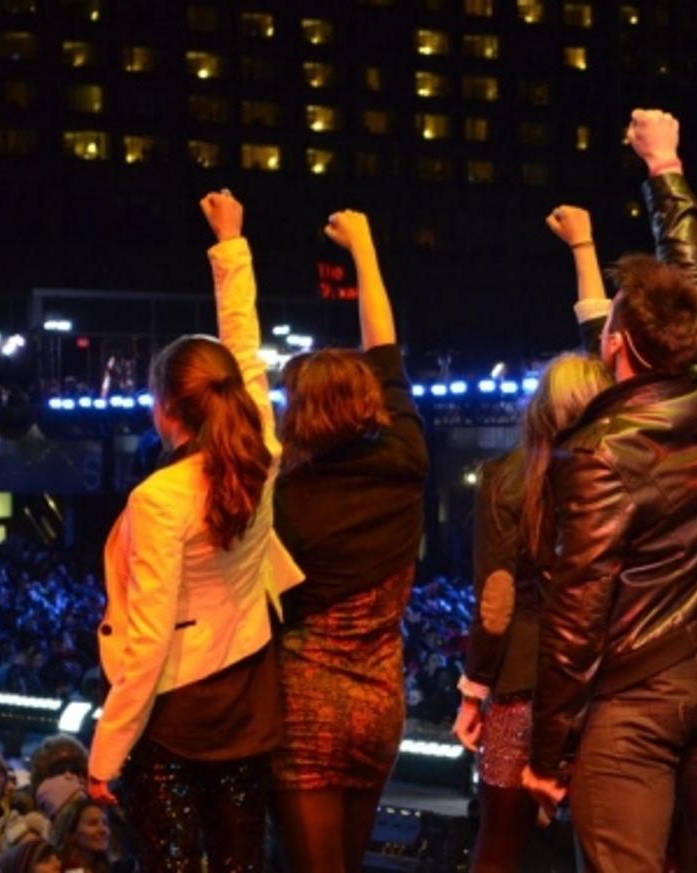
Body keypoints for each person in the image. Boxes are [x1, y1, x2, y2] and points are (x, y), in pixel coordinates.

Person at [521, 108, 697, 871]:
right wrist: (664, 172)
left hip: (635, 699)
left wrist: (547, 749)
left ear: (618, 346)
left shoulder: (598, 450)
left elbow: (578, 608)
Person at [86, 190, 303, 871]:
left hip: (175, 717)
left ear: (163, 408)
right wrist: (231, 242)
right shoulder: (260, 449)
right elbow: (246, 345)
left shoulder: (162, 495)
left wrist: (106, 750)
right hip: (249, 701)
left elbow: (149, 637)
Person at [453, 205, 613, 871]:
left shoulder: (505, 478)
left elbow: (497, 598)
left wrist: (471, 688)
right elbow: (611, 350)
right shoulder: (625, 472)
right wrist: (585, 246)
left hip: (521, 681)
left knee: (499, 845)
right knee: (613, 846)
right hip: (605, 683)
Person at [269, 210, 430, 873]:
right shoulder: (407, 455)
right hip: (380, 704)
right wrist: (365, 246)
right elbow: (384, 347)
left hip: (305, 703)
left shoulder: (287, 498)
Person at [48, 799, 109, 873]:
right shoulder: (64, 869)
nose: (103, 830)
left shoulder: (104, 866)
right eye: (93, 823)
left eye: (105, 823)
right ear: (72, 833)